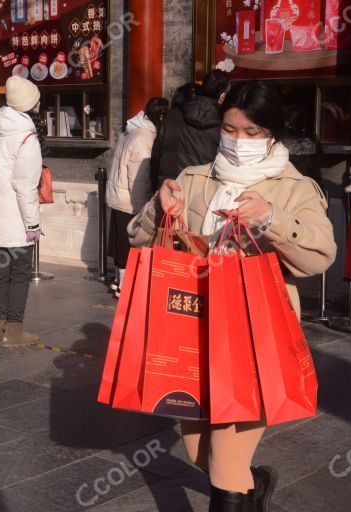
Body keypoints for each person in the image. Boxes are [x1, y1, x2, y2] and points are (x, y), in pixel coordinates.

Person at [129, 81, 337, 511]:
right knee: (198, 452)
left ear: (274, 134)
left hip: (255, 338)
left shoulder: (294, 188)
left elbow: (320, 256)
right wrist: (157, 208)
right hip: (194, 332)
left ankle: (240, 484)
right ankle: (254, 483)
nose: (238, 141)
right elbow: (140, 239)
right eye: (231, 129)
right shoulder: (194, 179)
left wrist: (272, 219)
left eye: (253, 132)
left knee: (224, 465)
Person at [0, 76, 44, 347]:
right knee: (19, 274)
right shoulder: (26, 137)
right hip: (16, 219)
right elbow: (25, 187)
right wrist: (33, 225)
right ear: (30, 104)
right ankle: (14, 332)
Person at [106, 97, 169, 297]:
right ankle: (125, 286)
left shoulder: (132, 130)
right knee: (129, 243)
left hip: (119, 195)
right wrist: (144, 208)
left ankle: (118, 282)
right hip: (130, 199)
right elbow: (139, 178)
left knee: (119, 242)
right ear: (160, 116)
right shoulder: (145, 137)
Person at [150, 70, 231, 189]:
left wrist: (156, 186)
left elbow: (156, 155)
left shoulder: (172, 114)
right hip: (203, 190)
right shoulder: (225, 122)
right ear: (223, 96)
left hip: (169, 188)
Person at [281, 104, 324, 190]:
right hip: (312, 189)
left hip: (290, 190)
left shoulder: (280, 143)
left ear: (288, 123)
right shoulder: (312, 139)